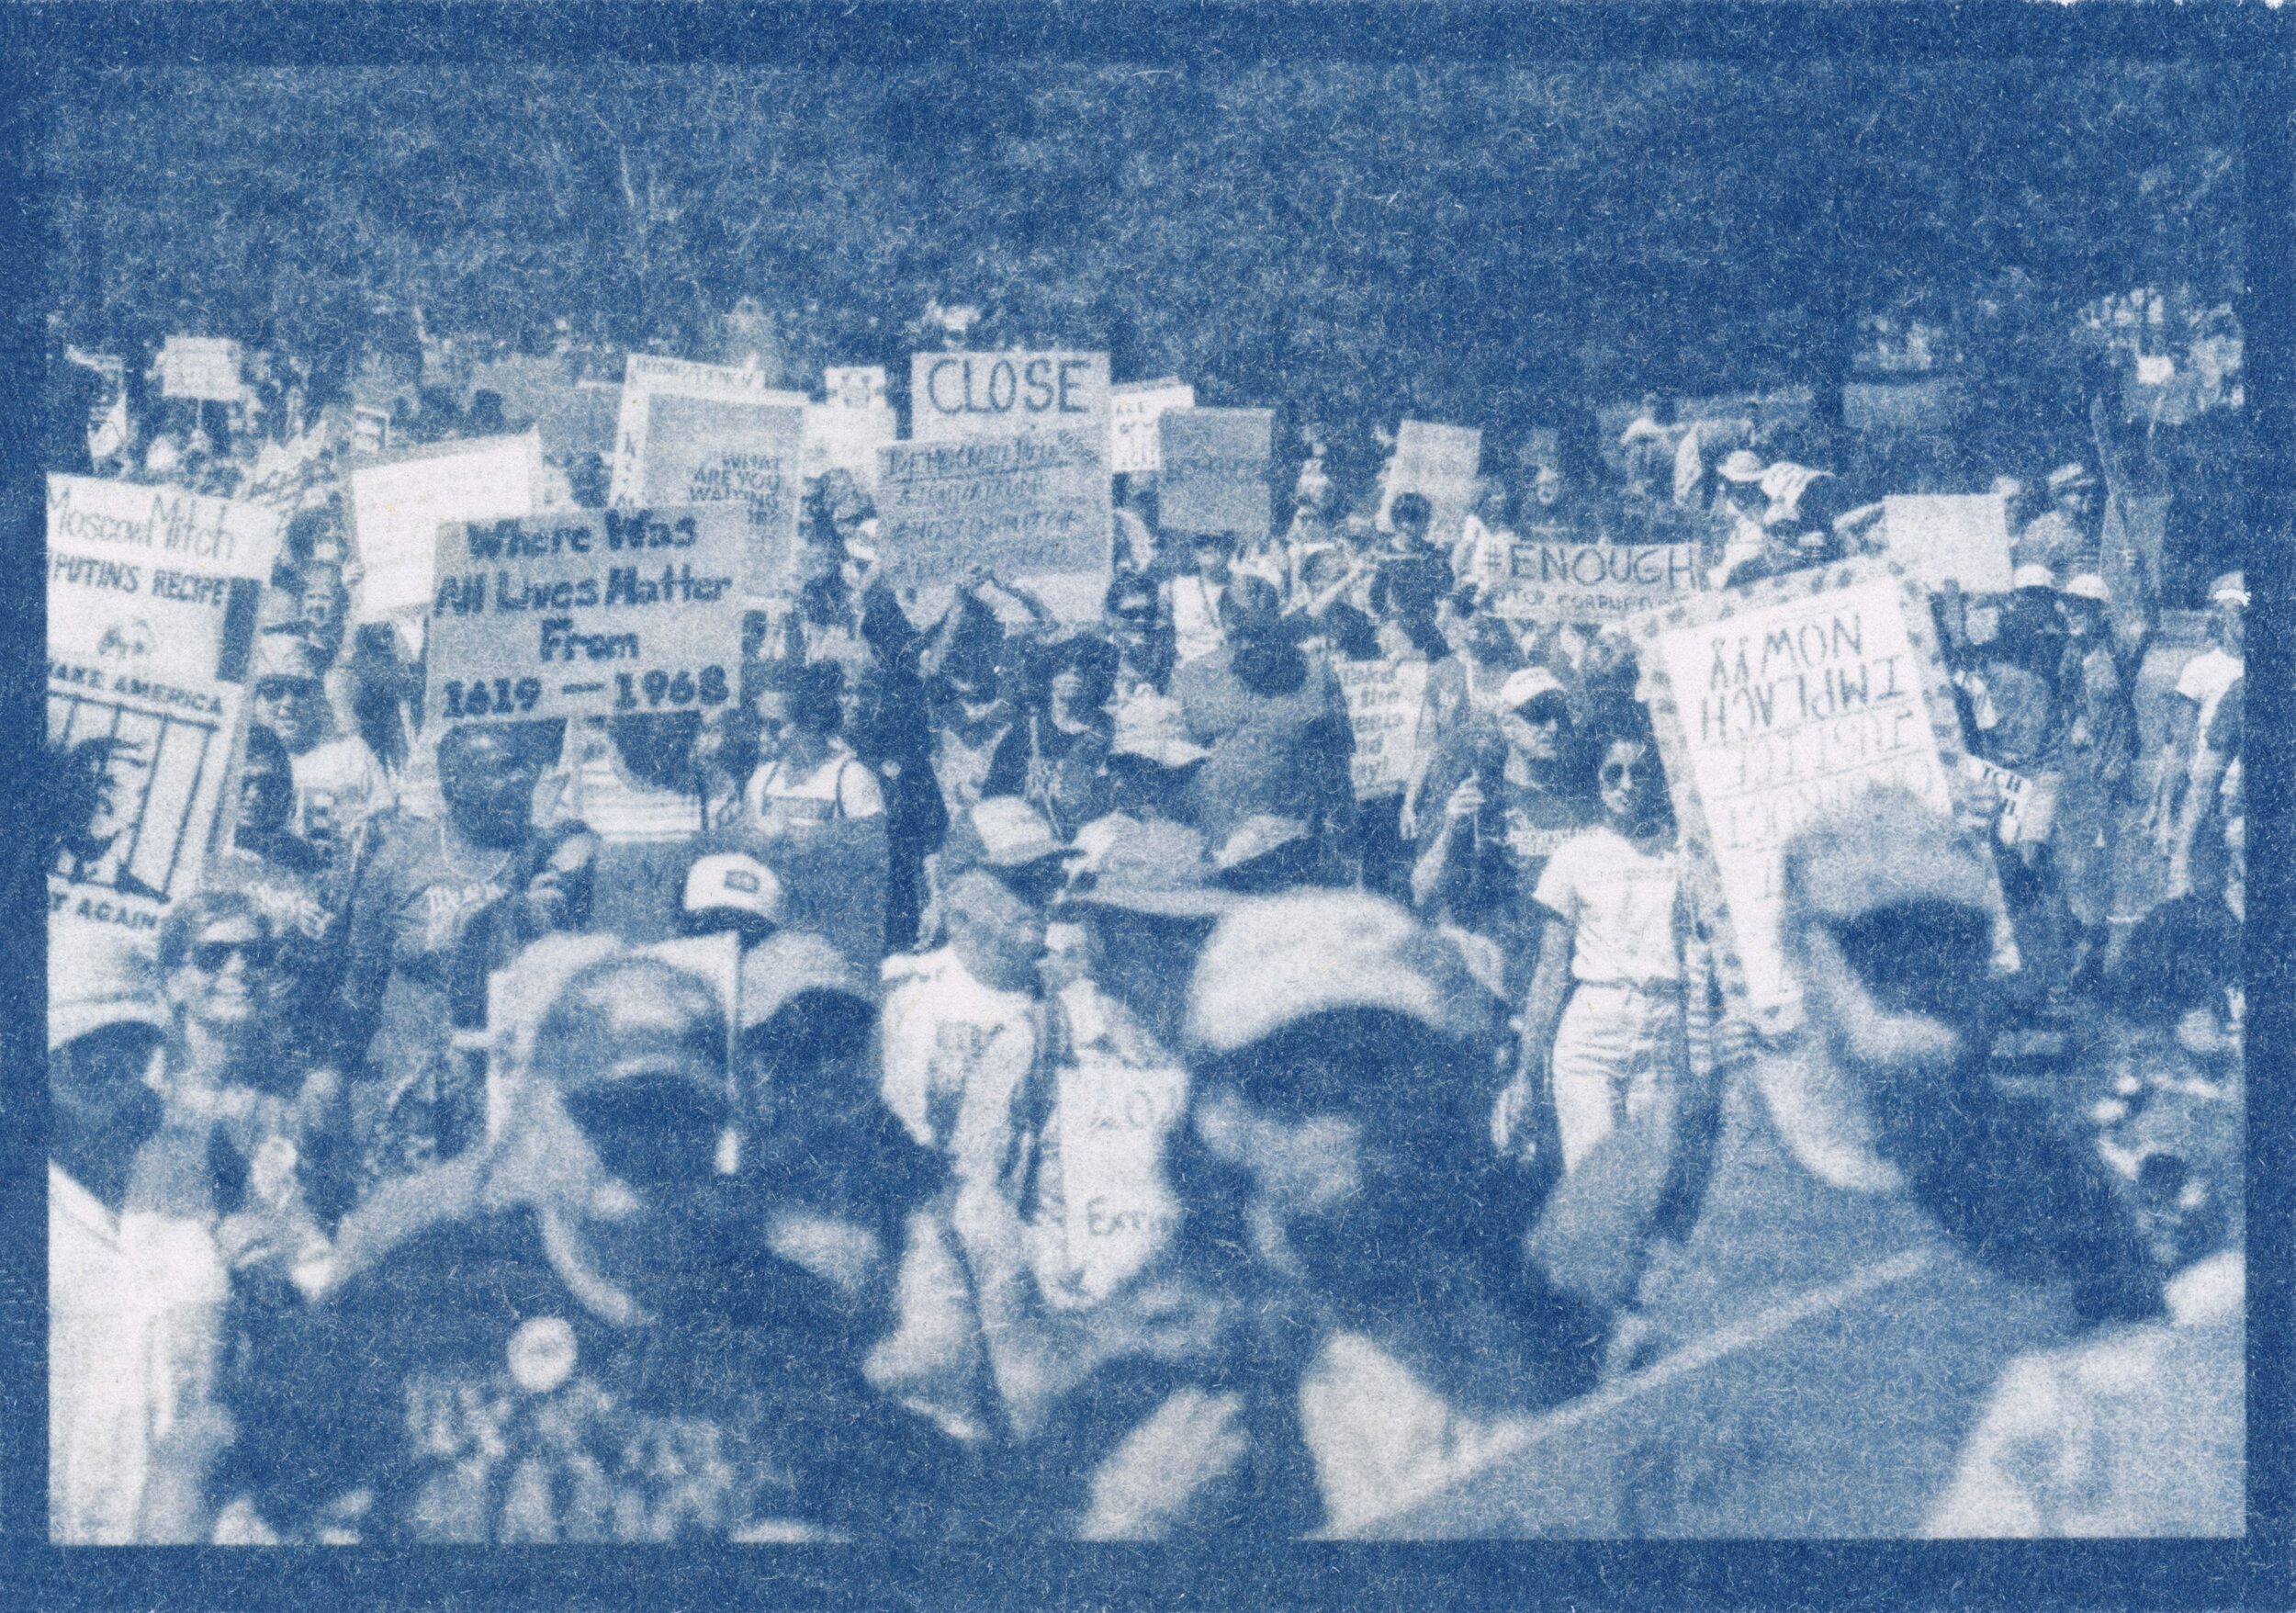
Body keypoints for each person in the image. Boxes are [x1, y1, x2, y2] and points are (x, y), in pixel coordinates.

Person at [1500, 789, 2161, 1539]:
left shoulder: (2062, 1192)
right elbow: (1523, 1502)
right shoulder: (1660, 1180)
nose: (1921, 968)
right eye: (1879, 937)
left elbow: (2138, 1465)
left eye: (1952, 935)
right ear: (1796, 946)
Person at [219, 952, 967, 1541]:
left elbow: (930, 1508)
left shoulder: (781, 1311)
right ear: (535, 1108)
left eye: (675, 1111)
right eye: (609, 1109)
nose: (641, 1141)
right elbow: (215, 1449)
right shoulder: (432, 1282)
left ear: (716, 1131)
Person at [1140, 890, 1599, 1535]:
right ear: (1218, 1117)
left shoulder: (1547, 1326)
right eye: (1296, 1079)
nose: (1350, 1113)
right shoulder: (1179, 1406)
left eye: (1380, 1063)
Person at [50, 923, 231, 1544]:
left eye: (132, 1039)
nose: (111, 1061)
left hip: (181, 1526)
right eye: (85, 1041)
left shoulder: (204, 1149)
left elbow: (294, 1266)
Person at [337, 722, 552, 1190]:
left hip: (500, 1087)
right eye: (504, 769)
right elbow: (360, 985)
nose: (523, 780)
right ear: (454, 782)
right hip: (405, 1084)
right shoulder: (399, 859)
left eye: (526, 768)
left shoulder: (546, 855)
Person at [1497, 718, 1692, 1176]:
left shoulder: (1678, 854)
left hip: (1661, 1034)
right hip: (1591, 1037)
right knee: (1595, 1182)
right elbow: (1550, 970)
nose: (1626, 785)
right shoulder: (1574, 856)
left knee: (1650, 1185)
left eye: (1637, 773)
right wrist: (1527, 1073)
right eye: (1613, 773)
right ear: (1595, 776)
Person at [1409, 668, 1591, 993]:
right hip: (1497, 975)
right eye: (1538, 715)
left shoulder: (1579, 801)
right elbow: (1421, 891)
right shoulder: (1479, 797)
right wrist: (1451, 830)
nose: (1552, 727)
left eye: (1559, 715)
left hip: (1562, 974)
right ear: (1507, 725)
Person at [728, 657, 890, 974]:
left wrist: (801, 836)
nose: (765, 735)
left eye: (775, 725)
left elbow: (877, 850)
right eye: (761, 723)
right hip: (778, 938)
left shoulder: (851, 777)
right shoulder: (763, 779)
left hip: (838, 942)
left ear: (811, 721)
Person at [250, 634, 393, 870]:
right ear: (256, 700)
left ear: (317, 696)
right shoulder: (239, 756)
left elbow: (385, 833)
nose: (288, 703)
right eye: (274, 691)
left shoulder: (351, 753)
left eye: (299, 690)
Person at [2151, 571, 2244, 896]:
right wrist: (2165, 819)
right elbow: (2179, 747)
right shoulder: (2200, 668)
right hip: (2206, 793)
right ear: (2221, 615)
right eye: (2239, 610)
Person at [1161, 530, 1237, 668]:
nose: (1209, 547)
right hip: (1187, 671)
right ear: (1194, 550)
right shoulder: (1176, 588)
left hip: (1229, 671)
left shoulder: (1244, 588)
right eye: (1201, 542)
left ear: (1230, 548)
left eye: (1217, 542)